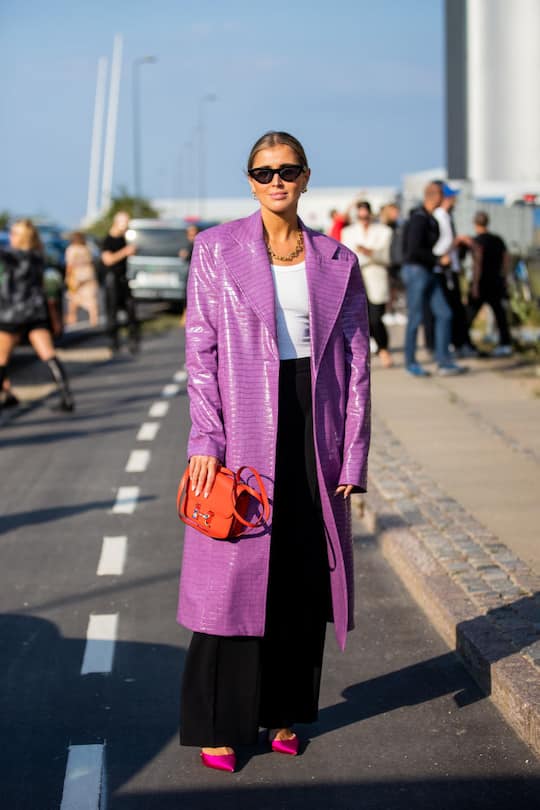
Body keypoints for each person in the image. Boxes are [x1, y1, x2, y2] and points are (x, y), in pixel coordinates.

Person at [177, 131, 371, 773]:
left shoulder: (338, 261)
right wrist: (207, 436)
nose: (275, 181)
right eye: (263, 172)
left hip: (313, 418)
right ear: (250, 180)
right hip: (242, 419)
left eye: (287, 170)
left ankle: (283, 711)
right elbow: (199, 350)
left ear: (307, 177)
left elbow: (356, 363)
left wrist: (352, 456)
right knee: (231, 573)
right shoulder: (215, 250)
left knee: (300, 569)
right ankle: (219, 723)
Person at [0, 219, 74, 411]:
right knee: (48, 354)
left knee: (1, 359)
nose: (10, 237)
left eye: (14, 234)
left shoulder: (13, 255)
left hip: (12, 314)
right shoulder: (38, 256)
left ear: (23, 237)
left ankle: (5, 394)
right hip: (35, 312)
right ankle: (66, 396)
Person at [401, 182, 467, 377]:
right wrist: (438, 259)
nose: (448, 199)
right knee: (415, 317)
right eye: (444, 195)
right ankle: (410, 362)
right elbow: (413, 250)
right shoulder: (418, 219)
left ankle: (443, 360)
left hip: (430, 271)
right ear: (436, 196)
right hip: (416, 271)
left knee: (444, 313)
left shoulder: (431, 219)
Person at [341, 201, 393, 368]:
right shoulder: (347, 232)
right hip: (355, 278)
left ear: (370, 214)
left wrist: (369, 252)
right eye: (360, 216)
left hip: (376, 277)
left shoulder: (384, 231)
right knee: (360, 318)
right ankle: (364, 352)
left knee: (376, 318)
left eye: (366, 216)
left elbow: (386, 256)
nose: (363, 219)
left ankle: (384, 348)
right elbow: (347, 256)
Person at [432, 184, 477, 358]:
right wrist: (457, 242)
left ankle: (456, 344)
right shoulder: (440, 216)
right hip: (444, 270)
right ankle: (451, 347)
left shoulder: (446, 216)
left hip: (451, 269)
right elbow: (440, 246)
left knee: (455, 309)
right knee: (449, 311)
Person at [467, 211, 512, 356]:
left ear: (475, 224)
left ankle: (462, 342)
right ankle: (506, 344)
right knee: (500, 315)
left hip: (481, 283)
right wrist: (504, 278)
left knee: (469, 314)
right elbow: (506, 259)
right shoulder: (497, 240)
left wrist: (474, 284)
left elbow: (478, 264)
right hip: (496, 282)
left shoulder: (477, 241)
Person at [100, 212, 138, 353]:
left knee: (131, 311)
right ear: (116, 222)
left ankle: (132, 340)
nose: (127, 225)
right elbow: (108, 260)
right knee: (112, 312)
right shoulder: (108, 240)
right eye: (124, 222)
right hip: (112, 280)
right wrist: (125, 252)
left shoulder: (126, 238)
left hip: (124, 279)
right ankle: (113, 342)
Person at [64, 232, 99, 327]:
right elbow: (92, 261)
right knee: (91, 297)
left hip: (77, 275)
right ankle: (94, 318)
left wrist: (67, 277)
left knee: (73, 297)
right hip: (89, 273)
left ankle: (72, 318)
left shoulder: (71, 249)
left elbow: (70, 265)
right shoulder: (87, 248)